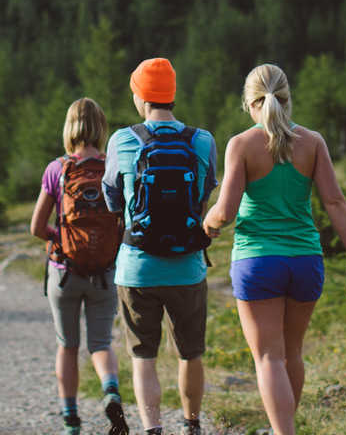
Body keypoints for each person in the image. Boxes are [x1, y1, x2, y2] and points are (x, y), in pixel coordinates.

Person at [202, 63, 346, 435]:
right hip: (306, 260)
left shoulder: (241, 145)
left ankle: (283, 432)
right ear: (287, 99)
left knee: (268, 358)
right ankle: (285, 426)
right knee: (292, 352)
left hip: (258, 260)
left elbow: (225, 211)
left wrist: (206, 225)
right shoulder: (314, 142)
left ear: (249, 102)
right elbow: (335, 203)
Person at [103, 58, 217, 435]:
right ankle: (192, 425)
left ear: (140, 96)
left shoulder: (122, 140)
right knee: (191, 353)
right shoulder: (202, 140)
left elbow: (112, 201)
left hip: (137, 266)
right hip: (188, 266)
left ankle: (153, 429)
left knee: (143, 357)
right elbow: (203, 194)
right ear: (171, 95)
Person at [30, 97, 130, 435]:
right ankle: (111, 390)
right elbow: (123, 222)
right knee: (101, 343)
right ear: (101, 128)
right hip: (104, 273)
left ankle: (71, 422)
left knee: (67, 346)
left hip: (64, 272)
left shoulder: (57, 169)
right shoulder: (112, 167)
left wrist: (59, 237)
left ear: (69, 128)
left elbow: (35, 226)